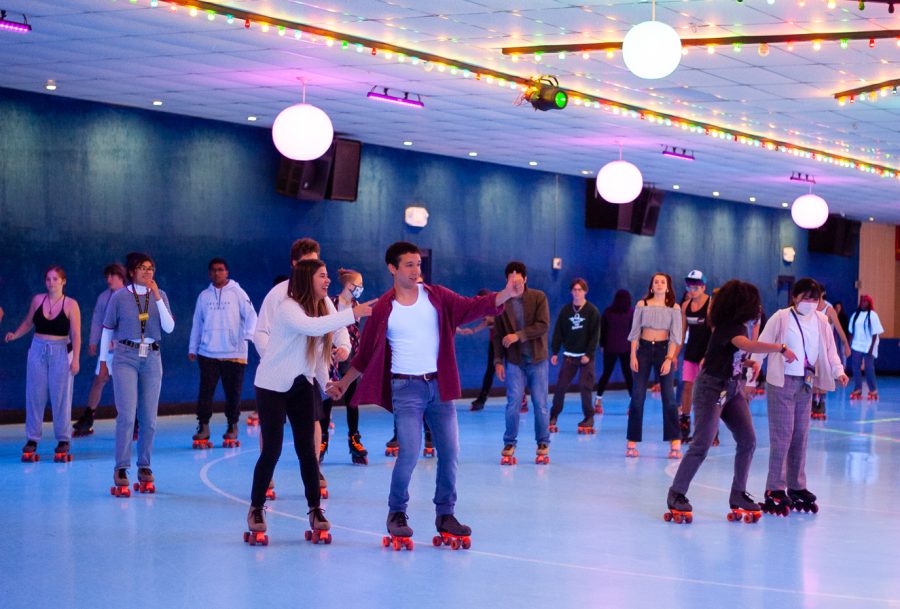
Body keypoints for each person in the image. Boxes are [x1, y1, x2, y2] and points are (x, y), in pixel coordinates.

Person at [326, 241, 522, 547]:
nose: (417, 270)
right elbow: (364, 356)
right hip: (406, 389)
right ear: (392, 268)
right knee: (410, 451)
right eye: (409, 265)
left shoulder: (437, 297)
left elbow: (473, 307)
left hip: (439, 387)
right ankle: (397, 513)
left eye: (419, 264)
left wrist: (506, 294)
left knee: (451, 451)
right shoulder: (383, 308)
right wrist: (343, 382)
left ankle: (446, 514)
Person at [245, 259, 373, 545]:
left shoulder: (324, 304)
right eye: (322, 276)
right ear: (306, 278)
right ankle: (255, 508)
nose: (327, 281)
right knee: (272, 450)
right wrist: (353, 313)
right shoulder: (289, 307)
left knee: (308, 452)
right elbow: (313, 329)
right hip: (272, 386)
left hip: (302, 383)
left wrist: (325, 381)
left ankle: (315, 510)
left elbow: (317, 348)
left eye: (328, 276)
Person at [666, 280, 797, 522]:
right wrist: (780, 348)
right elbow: (744, 345)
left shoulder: (741, 326)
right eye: (753, 303)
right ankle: (677, 493)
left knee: (748, 440)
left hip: (732, 388)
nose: (757, 307)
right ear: (740, 305)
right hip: (711, 389)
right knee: (702, 444)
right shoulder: (728, 327)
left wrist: (749, 363)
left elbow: (735, 354)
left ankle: (738, 493)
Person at [254, 238, 344, 496]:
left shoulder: (322, 299)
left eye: (319, 266)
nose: (318, 274)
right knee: (272, 440)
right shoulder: (280, 297)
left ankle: (314, 477)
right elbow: (261, 333)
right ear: (295, 265)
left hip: (306, 377)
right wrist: (273, 360)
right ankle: (265, 479)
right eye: (309, 265)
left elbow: (334, 326)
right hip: (276, 378)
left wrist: (343, 347)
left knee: (312, 427)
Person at [750, 278, 848, 515]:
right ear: (795, 298)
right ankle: (775, 487)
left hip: (806, 383)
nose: (810, 303)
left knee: (800, 436)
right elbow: (761, 345)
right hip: (781, 381)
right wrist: (751, 378)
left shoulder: (822, 320)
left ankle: (796, 486)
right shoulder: (781, 317)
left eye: (814, 299)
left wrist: (839, 371)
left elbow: (829, 350)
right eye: (805, 298)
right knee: (782, 436)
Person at [99, 252, 174, 494]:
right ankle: (121, 467)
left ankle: (145, 466)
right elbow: (107, 330)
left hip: (152, 357)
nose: (147, 272)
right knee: (127, 415)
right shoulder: (119, 297)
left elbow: (169, 328)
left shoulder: (160, 295)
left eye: (151, 268)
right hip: (125, 357)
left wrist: (157, 298)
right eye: (142, 268)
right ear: (132, 272)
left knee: (149, 419)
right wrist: (103, 361)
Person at [5, 266, 82, 462]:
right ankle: (32, 439)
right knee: (34, 395)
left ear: (63, 281)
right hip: (38, 348)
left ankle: (63, 439)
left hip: (61, 351)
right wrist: (15, 335)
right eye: (48, 279)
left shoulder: (71, 304)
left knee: (61, 396)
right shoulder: (38, 300)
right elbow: (28, 322)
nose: (51, 283)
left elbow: (76, 334)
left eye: (55, 279)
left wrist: (76, 359)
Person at [188, 258, 258, 448]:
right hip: (208, 352)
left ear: (227, 272)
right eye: (213, 270)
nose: (217, 273)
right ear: (210, 273)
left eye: (221, 270)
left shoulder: (238, 293)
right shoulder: (204, 296)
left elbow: (252, 315)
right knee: (205, 392)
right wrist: (192, 348)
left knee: (233, 393)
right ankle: (203, 426)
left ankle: (232, 425)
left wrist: (248, 336)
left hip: (234, 353)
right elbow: (197, 323)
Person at [492, 261, 551, 465]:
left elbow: (543, 325)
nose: (515, 281)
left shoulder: (538, 297)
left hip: (537, 360)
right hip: (514, 361)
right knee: (513, 403)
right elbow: (498, 334)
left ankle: (543, 442)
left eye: (518, 277)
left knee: (540, 404)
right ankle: (509, 443)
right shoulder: (502, 302)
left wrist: (519, 335)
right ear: (507, 280)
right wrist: (498, 361)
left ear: (525, 279)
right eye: (511, 277)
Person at [625, 273, 683, 459]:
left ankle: (675, 441)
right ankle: (632, 442)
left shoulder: (674, 308)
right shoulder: (642, 305)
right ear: (651, 286)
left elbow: (675, 336)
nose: (659, 284)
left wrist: (669, 358)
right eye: (656, 282)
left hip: (663, 350)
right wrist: (633, 354)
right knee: (637, 396)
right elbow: (635, 332)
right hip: (643, 350)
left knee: (669, 397)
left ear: (668, 287)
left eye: (662, 282)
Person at [70, 264, 126, 437]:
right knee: (99, 380)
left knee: (126, 384)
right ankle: (88, 417)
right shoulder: (104, 297)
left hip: (126, 350)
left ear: (121, 276)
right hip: (108, 350)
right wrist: (94, 341)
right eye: (107, 276)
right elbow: (97, 320)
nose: (108, 280)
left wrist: (118, 341)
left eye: (112, 276)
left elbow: (132, 323)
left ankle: (134, 421)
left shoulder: (130, 296)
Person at [320, 268, 369, 464]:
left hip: (351, 361)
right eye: (358, 286)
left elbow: (356, 334)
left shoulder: (358, 306)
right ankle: (322, 439)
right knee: (326, 402)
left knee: (352, 402)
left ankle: (354, 439)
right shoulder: (329, 303)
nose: (361, 289)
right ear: (349, 286)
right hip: (329, 360)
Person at [548, 278, 600, 433]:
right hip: (569, 355)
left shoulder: (592, 311)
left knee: (585, 386)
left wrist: (589, 354)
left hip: (585, 357)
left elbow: (595, 335)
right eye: (575, 290)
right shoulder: (566, 311)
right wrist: (555, 352)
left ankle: (589, 417)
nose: (577, 292)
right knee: (561, 386)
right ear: (571, 292)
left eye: (580, 290)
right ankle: (554, 415)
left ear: (585, 291)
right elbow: (558, 332)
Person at [678, 270, 712, 443]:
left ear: (703, 287)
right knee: (687, 388)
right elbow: (682, 333)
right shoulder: (685, 306)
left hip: (707, 356)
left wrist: (708, 355)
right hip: (691, 354)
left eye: (696, 286)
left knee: (706, 392)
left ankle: (711, 430)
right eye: (689, 286)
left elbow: (715, 334)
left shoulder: (711, 305)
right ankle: (684, 423)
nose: (692, 290)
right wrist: (673, 356)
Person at [810, 289, 851, 419]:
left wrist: (846, 344)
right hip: (811, 349)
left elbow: (839, 329)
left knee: (822, 378)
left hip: (825, 349)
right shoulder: (809, 308)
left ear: (822, 293)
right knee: (811, 378)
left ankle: (821, 403)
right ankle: (811, 403)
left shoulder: (829, 310)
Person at [595, 289, 634, 412]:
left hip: (610, 347)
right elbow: (634, 331)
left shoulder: (608, 312)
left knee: (606, 374)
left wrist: (602, 345)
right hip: (626, 348)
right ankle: (632, 403)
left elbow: (603, 330)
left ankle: (598, 400)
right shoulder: (631, 313)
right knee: (628, 375)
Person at [457, 289, 495, 411]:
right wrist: (473, 330)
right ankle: (481, 400)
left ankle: (521, 398)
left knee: (513, 369)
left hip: (506, 340)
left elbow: (492, 320)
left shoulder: (498, 304)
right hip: (495, 342)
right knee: (491, 370)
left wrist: (492, 320)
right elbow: (486, 322)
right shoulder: (485, 308)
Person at [848, 294, 883, 401]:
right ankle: (858, 388)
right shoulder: (855, 315)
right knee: (855, 368)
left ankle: (873, 390)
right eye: (862, 301)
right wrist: (849, 345)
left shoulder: (873, 315)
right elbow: (851, 331)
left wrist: (871, 349)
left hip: (869, 346)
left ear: (869, 303)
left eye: (865, 301)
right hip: (856, 345)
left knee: (868, 368)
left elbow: (875, 333)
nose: (863, 303)